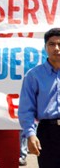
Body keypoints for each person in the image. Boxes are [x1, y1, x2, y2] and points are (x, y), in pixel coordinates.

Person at [18, 28, 60, 167]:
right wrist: (30, 134)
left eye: (59, 44)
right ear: (45, 47)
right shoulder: (34, 75)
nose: (56, 48)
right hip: (48, 133)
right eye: (52, 44)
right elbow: (26, 109)